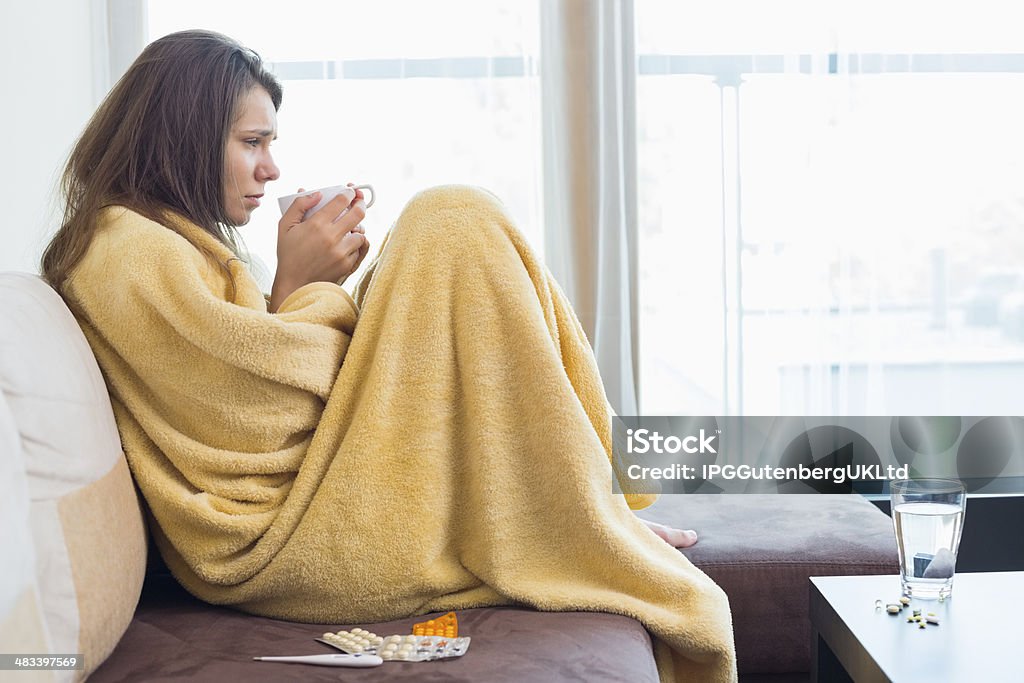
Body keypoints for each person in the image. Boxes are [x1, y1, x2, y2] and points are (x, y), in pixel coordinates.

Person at [42, 30, 736, 682]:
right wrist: (303, 285)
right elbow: (266, 417)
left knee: (452, 226)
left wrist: (313, 288)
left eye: (272, 143)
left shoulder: (157, 243)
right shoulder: (127, 254)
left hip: (314, 501)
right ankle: (585, 504)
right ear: (185, 137)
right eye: (253, 141)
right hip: (285, 543)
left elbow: (258, 374)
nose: (271, 166)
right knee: (451, 219)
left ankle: (583, 495)